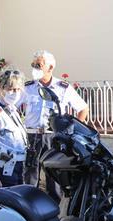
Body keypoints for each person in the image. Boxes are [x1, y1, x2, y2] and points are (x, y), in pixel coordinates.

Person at [21, 50, 89, 201]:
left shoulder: (62, 87)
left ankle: (54, 213)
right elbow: (13, 106)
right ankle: (28, 209)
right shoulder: (28, 87)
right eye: (33, 65)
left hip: (53, 137)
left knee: (55, 179)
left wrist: (72, 132)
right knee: (30, 176)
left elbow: (83, 108)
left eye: (38, 65)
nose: (34, 68)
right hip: (33, 136)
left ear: (50, 68)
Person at [0, 68, 29, 187]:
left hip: (18, 168)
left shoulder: (13, 111)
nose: (15, 93)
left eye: (18, 89)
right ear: (1, 89)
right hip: (4, 169)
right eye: (11, 89)